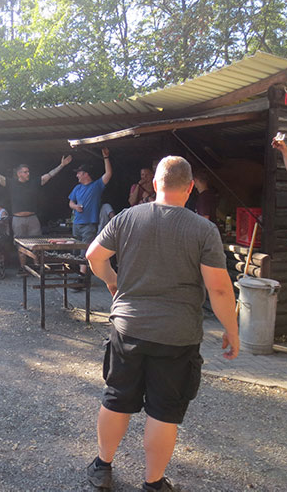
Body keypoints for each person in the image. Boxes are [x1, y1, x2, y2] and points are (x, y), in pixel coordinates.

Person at [84, 156, 239, 492]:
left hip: (128, 328)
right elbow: (219, 288)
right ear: (189, 188)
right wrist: (232, 329)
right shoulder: (203, 230)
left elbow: (94, 256)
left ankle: (103, 467)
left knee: (116, 398)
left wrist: (112, 281)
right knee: (164, 411)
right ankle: (153, 483)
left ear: (155, 184)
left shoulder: (127, 218)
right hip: (177, 336)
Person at [0, 154, 74, 274]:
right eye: (25, 172)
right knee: (20, 245)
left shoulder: (34, 182)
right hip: (18, 219)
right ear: (19, 173)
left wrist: (61, 165)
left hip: (32, 218)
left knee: (37, 244)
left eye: (28, 172)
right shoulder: (11, 183)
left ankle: (37, 267)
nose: (28, 174)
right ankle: (23, 268)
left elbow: (49, 175)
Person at [69, 149, 112, 273]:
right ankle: (77, 272)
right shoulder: (77, 188)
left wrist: (106, 158)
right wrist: (75, 207)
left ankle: (82, 276)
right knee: (75, 250)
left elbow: (108, 174)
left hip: (89, 224)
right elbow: (70, 203)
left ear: (86, 174)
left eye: (79, 173)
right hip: (76, 223)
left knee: (85, 250)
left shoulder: (96, 186)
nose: (77, 175)